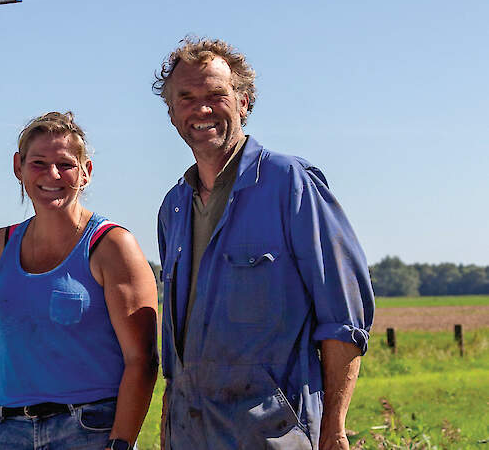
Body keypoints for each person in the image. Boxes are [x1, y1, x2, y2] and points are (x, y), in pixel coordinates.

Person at [152, 37, 375, 450]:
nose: (201, 108)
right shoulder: (174, 207)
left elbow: (344, 315)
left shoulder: (289, 184)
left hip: (273, 434)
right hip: (188, 433)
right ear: (171, 112)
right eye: (186, 97)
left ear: (244, 102)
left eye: (216, 94)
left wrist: (335, 427)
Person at [0, 112, 159, 450]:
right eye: (38, 163)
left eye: (65, 164)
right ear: (18, 167)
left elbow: (142, 360)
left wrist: (120, 444)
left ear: (86, 173)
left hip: (89, 431)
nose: (52, 174)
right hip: (7, 432)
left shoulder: (112, 246)